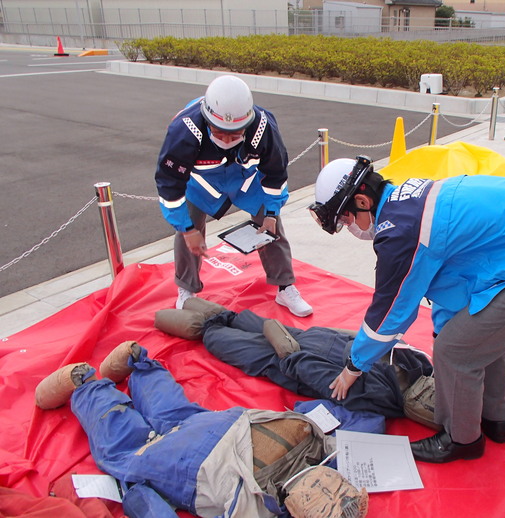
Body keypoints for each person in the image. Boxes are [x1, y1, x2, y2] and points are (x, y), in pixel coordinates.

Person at [308, 157, 505, 463]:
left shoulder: (399, 232)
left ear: (362, 199)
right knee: (478, 332)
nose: (350, 229)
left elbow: (388, 312)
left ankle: (462, 440)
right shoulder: (410, 201)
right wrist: (445, 329)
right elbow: (453, 284)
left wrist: (355, 365)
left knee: (456, 350)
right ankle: (495, 420)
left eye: (346, 220)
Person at [34, 341, 368, 518]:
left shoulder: (327, 449)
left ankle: (140, 362)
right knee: (127, 455)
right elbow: (147, 505)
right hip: (193, 464)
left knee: (176, 413)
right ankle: (86, 385)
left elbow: (333, 415)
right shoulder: (261, 511)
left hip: (229, 425)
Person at [155, 74, 312, 316]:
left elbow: (275, 174)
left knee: (272, 228)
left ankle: (285, 287)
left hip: (245, 179)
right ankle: (187, 290)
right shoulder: (185, 130)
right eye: (219, 132)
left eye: (235, 133)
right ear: (207, 121)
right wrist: (187, 229)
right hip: (201, 184)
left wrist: (271, 213)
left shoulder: (263, 126)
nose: (227, 139)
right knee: (188, 230)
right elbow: (169, 185)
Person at [153, 298, 437, 426]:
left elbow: (320, 378)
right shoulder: (419, 365)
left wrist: (287, 349)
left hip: (280, 357)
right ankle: (195, 307)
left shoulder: (384, 396)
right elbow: (373, 340)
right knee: (238, 320)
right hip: (309, 340)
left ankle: (183, 316)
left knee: (215, 335)